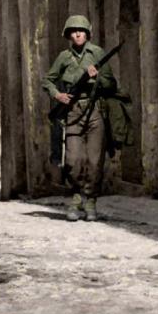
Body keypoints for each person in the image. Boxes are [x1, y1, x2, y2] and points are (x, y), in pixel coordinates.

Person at [43, 15, 116, 222]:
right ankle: (76, 198)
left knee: (95, 160)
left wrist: (97, 77)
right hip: (73, 111)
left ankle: (91, 200)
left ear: (87, 34)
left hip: (95, 110)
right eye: (74, 31)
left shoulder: (98, 53)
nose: (78, 34)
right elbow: (47, 80)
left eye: (81, 31)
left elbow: (111, 84)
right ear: (68, 35)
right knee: (73, 160)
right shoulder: (64, 57)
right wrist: (58, 95)